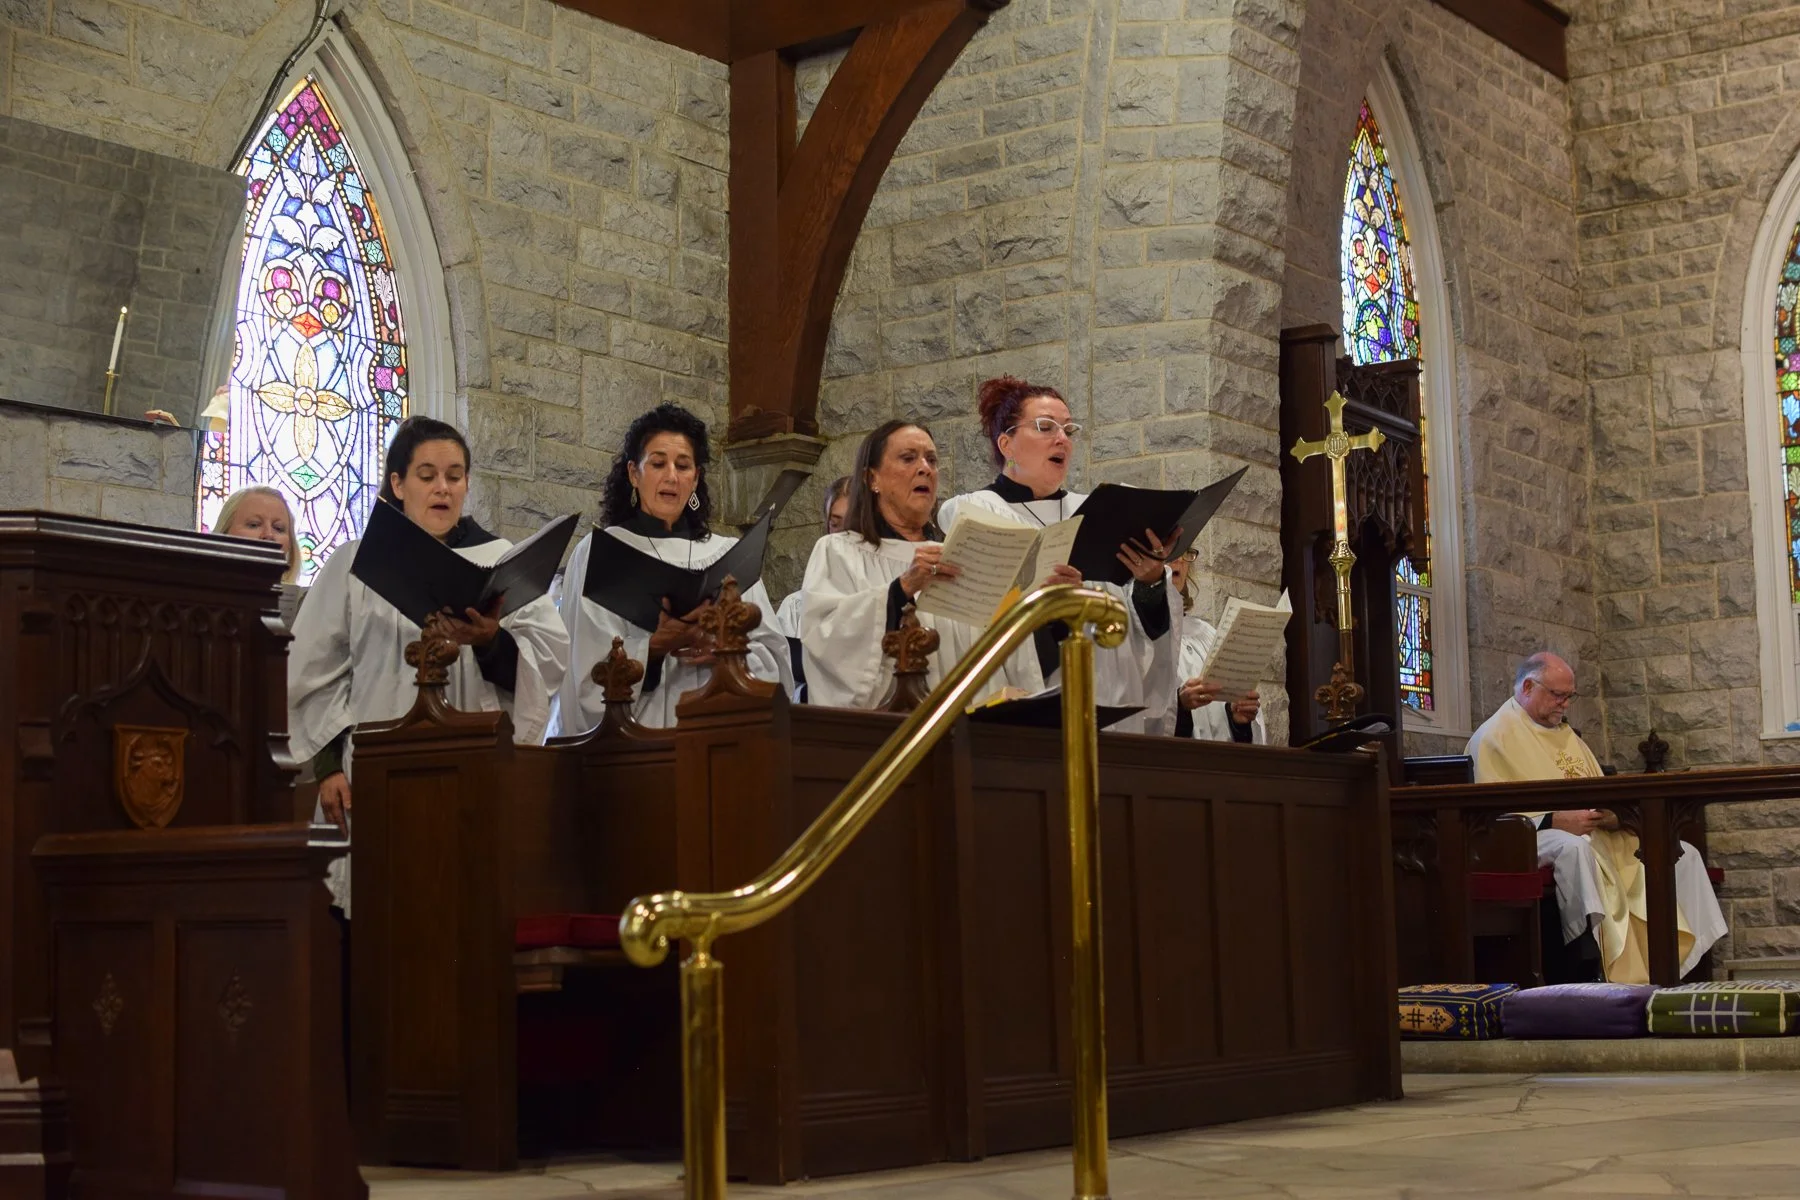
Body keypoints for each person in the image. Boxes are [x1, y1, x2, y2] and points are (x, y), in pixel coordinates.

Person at [287, 416, 569, 915]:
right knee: (376, 919)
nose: (443, 488)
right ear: (397, 484)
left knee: (460, 910)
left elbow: (547, 660)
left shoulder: (499, 559)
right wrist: (329, 768)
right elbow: (314, 671)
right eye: (427, 475)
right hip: (371, 775)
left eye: (455, 475)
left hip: (473, 770)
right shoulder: (354, 564)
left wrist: (490, 641)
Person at [936, 376, 1181, 735]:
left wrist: (1149, 582)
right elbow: (972, 624)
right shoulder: (974, 512)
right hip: (1027, 709)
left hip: (1109, 699)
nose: (1062, 438)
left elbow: (1141, 634)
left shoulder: (1098, 512)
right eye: (1045, 427)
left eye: (1068, 429)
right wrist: (1056, 608)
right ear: (1007, 444)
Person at [1466, 651, 1727, 984]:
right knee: (1573, 849)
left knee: (1681, 854)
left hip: (1593, 832)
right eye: (1557, 695)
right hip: (1525, 837)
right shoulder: (1493, 738)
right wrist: (1552, 820)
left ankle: (1680, 967)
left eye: (1569, 697)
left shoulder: (1568, 736)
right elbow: (1489, 817)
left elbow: (1602, 792)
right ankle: (1587, 963)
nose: (1564, 705)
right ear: (1528, 687)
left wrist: (1613, 815)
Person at [552, 404, 791, 732]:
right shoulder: (602, 553)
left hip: (722, 730)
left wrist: (727, 650)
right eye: (658, 463)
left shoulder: (727, 554)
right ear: (634, 474)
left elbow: (775, 658)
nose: (671, 477)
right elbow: (585, 669)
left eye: (683, 465)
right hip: (642, 741)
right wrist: (653, 649)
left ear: (695, 479)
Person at [800, 421, 1027, 709]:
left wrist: (1036, 600)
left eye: (931, 459)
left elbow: (1011, 656)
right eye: (908, 458)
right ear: (872, 479)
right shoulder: (839, 551)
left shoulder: (963, 557)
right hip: (894, 731)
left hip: (976, 734)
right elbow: (825, 641)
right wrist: (901, 589)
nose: (925, 468)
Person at [1168, 549, 1264, 743]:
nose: (1179, 560)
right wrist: (1180, 706)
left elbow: (1237, 732)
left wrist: (1239, 720)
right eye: (1171, 550)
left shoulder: (1208, 636)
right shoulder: (1133, 635)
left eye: (1185, 551)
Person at [773, 475, 850, 699]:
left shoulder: (886, 593)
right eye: (835, 525)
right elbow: (779, 678)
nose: (842, 537)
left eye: (852, 525)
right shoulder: (796, 606)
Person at [213, 484, 301, 584]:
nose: (269, 535)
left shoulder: (306, 599)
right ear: (224, 535)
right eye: (254, 525)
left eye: (278, 528)